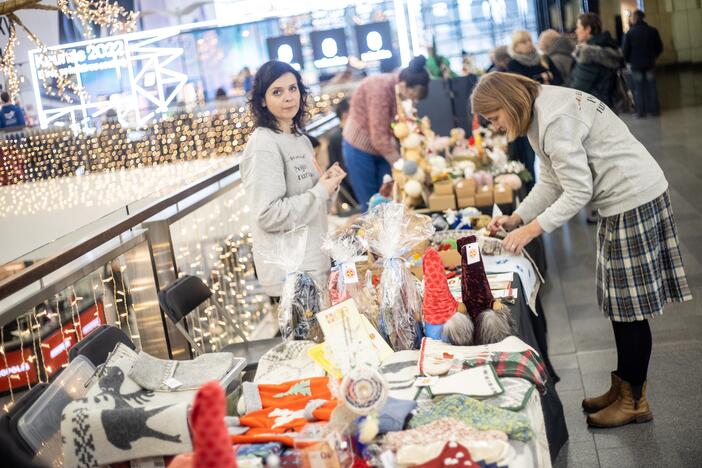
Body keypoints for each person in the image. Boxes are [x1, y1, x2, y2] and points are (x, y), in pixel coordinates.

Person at [473, 72, 691, 429]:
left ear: (510, 102)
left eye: (494, 117)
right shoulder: (538, 109)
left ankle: (634, 401)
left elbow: (577, 191)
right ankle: (623, 385)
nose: (494, 126)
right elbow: (551, 181)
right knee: (620, 305)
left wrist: (532, 229)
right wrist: (518, 216)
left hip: (632, 198)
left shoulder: (554, 118)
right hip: (622, 199)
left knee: (629, 310)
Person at [241, 60, 346, 297]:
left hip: (315, 266)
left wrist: (329, 186)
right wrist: (320, 191)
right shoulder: (263, 145)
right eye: (277, 92)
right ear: (262, 101)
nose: (288, 97)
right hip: (292, 279)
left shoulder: (301, 139)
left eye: (293, 88)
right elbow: (268, 215)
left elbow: (314, 202)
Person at [342, 55, 430, 212]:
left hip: (380, 149)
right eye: (412, 96)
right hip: (359, 148)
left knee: (390, 196)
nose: (412, 101)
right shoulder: (380, 89)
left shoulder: (397, 89)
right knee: (371, 205)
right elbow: (379, 138)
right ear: (404, 86)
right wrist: (402, 163)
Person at [506, 30, 562, 192]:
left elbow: (559, 80)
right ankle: (533, 194)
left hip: (551, 113)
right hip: (528, 118)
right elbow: (521, 89)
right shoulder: (513, 65)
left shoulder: (543, 59)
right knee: (529, 158)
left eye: (529, 40)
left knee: (556, 155)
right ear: (516, 47)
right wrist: (544, 78)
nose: (528, 44)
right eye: (523, 42)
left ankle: (562, 190)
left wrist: (537, 81)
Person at [570, 13, 623, 108]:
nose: (576, 31)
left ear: (588, 29)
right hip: (607, 105)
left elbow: (578, 88)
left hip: (593, 108)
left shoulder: (589, 53)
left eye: (578, 27)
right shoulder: (607, 46)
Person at [623, 10, 663, 118]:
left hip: (636, 65)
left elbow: (625, 50)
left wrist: (628, 61)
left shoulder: (630, 33)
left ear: (635, 19)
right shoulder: (652, 31)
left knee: (638, 89)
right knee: (652, 87)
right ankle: (654, 111)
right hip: (650, 63)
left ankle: (641, 112)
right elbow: (659, 47)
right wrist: (654, 57)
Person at [327, 98, 357, 209]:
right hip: (353, 186)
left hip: (350, 184)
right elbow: (339, 164)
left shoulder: (336, 136)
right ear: (345, 114)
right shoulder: (339, 137)